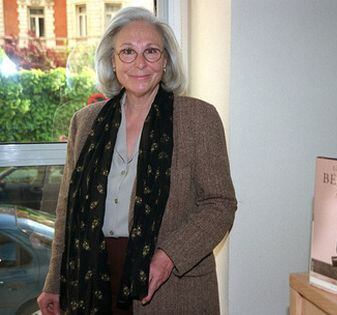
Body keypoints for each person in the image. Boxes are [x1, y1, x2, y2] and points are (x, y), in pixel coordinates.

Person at [37, 6, 237, 315]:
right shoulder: (86, 121)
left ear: (166, 61)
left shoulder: (198, 118)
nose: (140, 63)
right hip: (93, 276)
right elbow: (67, 210)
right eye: (128, 52)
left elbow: (220, 203)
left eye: (152, 51)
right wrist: (54, 282)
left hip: (172, 285)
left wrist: (169, 255)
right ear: (112, 61)